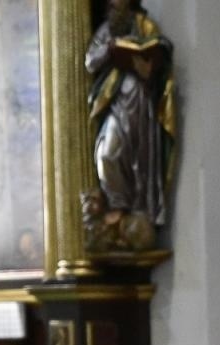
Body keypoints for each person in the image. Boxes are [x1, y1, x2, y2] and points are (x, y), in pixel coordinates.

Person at [85, 0, 175, 235]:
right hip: (115, 102)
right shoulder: (106, 30)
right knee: (107, 154)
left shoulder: (144, 24)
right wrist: (110, 48)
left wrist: (149, 64)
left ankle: (137, 212)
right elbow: (90, 61)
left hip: (142, 104)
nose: (113, 5)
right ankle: (117, 204)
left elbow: (161, 50)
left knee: (141, 160)